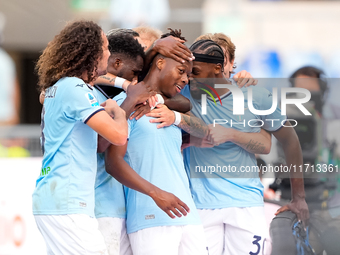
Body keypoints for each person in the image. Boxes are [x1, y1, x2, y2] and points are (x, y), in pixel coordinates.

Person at [147, 39, 308, 255]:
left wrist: (299, 198)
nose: (188, 78)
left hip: (245, 204)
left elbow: (290, 140)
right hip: (198, 206)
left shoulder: (255, 96)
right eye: (186, 72)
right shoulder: (182, 93)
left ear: (217, 69)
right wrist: (156, 46)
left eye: (195, 72)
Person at [32, 20, 135, 254]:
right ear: (91, 52)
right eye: (106, 47)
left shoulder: (62, 87)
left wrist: (122, 85)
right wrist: (119, 110)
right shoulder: (74, 89)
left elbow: (98, 145)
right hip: (67, 202)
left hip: (58, 199)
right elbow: (118, 136)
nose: (109, 53)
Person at [105, 29, 208, 255]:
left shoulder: (169, 107)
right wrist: (156, 194)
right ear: (160, 63)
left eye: (188, 76)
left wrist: (174, 115)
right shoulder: (125, 103)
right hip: (150, 216)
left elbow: (207, 134)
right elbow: (112, 162)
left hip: (188, 216)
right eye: (181, 71)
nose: (184, 79)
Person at [270, 66, 340, 255]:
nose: (306, 96)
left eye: (311, 92)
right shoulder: (280, 116)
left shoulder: (335, 117)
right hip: (288, 199)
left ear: (323, 92)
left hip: (330, 204)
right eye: (300, 91)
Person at [94, 31, 145, 255]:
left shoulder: (122, 93)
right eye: (134, 73)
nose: (136, 80)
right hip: (100, 205)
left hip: (121, 207)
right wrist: (128, 90)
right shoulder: (86, 89)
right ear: (116, 61)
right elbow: (102, 143)